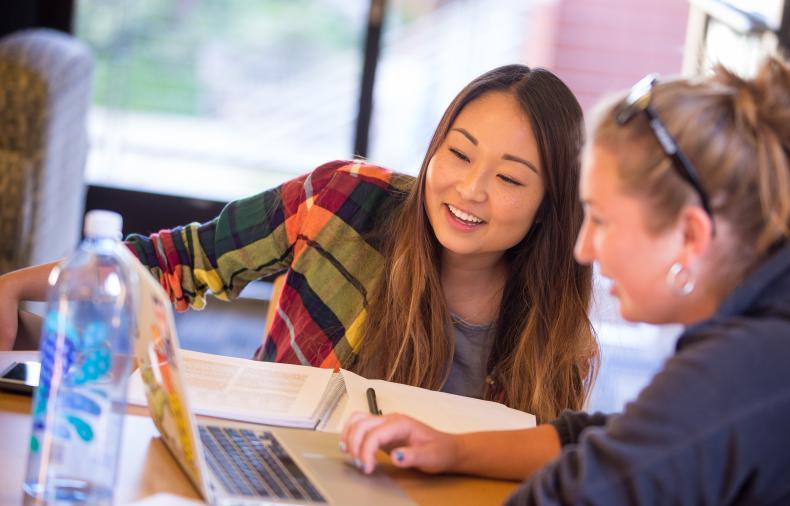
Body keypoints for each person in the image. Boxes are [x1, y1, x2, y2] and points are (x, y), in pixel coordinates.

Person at [340, 57, 790, 504]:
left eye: (603, 221)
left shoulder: (750, 373)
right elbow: (618, 441)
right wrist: (456, 451)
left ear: (690, 235)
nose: (585, 248)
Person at [0, 65, 597, 423]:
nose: (470, 189)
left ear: (553, 204)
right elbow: (179, 261)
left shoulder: (557, 335)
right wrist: (14, 290)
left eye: (511, 178)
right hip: (266, 473)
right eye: (459, 153)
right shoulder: (345, 200)